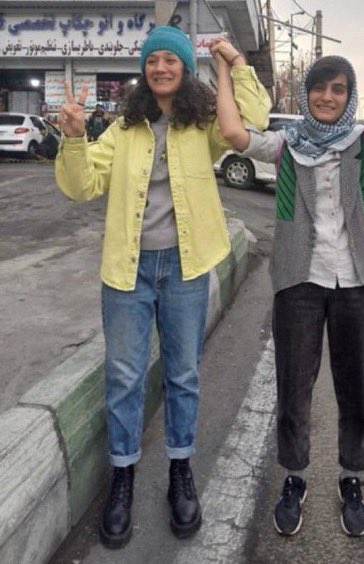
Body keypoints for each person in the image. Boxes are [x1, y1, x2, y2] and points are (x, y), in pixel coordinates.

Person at [214, 20, 364, 537]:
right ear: (306, 94)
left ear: (349, 96)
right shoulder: (287, 143)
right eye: (319, 87)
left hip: (357, 283)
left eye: (338, 89)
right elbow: (233, 134)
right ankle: (295, 477)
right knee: (294, 386)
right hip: (299, 281)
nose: (327, 96)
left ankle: (351, 478)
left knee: (355, 385)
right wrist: (225, 67)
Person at [55, 26, 270, 549]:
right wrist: (75, 137)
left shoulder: (204, 125)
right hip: (127, 272)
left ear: (184, 68)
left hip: (185, 267)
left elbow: (254, 119)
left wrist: (235, 63)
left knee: (183, 374)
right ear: (144, 72)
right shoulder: (122, 130)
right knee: (125, 377)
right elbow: (82, 186)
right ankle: (122, 477)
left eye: (170, 60)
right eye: (152, 61)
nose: (160, 68)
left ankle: (180, 469)